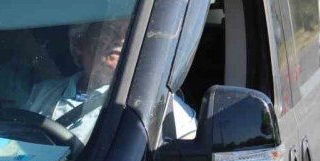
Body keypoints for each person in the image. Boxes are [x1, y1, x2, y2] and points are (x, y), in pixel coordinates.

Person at [27, 20, 196, 143]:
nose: (121, 39)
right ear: (80, 42)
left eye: (130, 33)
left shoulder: (160, 105)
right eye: (110, 30)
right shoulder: (43, 92)